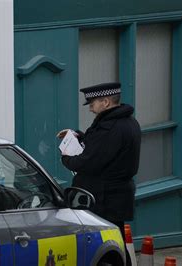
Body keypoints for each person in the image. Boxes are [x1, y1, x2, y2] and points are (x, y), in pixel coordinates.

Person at [57, 82, 141, 242]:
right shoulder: (129, 122)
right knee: (116, 243)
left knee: (103, 245)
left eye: (92, 103)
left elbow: (88, 162)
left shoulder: (109, 128)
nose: (90, 108)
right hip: (116, 197)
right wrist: (79, 137)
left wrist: (65, 157)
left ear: (106, 102)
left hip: (103, 200)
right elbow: (103, 149)